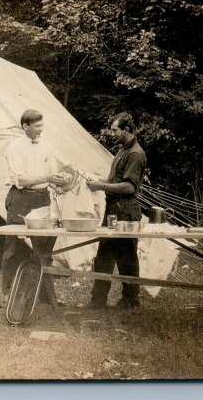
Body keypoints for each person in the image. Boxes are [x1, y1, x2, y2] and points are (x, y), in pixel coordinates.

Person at [3, 109, 69, 305]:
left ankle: (44, 295)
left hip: (42, 200)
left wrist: (61, 183)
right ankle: (8, 294)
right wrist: (48, 178)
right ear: (25, 126)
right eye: (38, 126)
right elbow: (21, 179)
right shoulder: (14, 148)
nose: (42, 129)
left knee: (44, 247)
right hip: (21, 199)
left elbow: (52, 175)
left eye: (42, 125)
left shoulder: (47, 147)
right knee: (14, 247)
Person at [84, 112, 147, 309]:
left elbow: (129, 187)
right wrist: (97, 181)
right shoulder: (122, 150)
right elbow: (116, 182)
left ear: (127, 130)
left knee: (127, 255)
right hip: (113, 208)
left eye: (115, 130)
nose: (112, 133)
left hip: (126, 211)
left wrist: (100, 187)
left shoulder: (135, 154)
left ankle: (130, 300)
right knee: (104, 254)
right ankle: (98, 299)